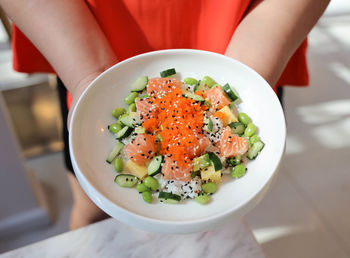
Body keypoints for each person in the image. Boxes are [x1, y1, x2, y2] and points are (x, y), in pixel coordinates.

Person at [0, 0, 330, 230]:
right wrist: (90, 80)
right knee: (92, 210)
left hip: (249, 42)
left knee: (218, 218)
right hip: (82, 43)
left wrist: (244, 78)